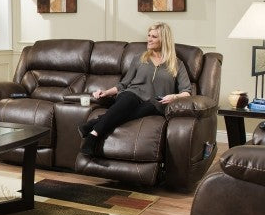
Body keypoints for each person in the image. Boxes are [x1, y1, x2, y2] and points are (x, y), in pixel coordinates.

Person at [78, 22, 191, 156]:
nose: (149, 39)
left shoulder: (176, 64)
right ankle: (93, 136)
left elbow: (187, 92)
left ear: (164, 39)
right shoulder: (140, 58)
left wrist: (174, 96)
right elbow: (123, 84)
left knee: (127, 113)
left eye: (154, 37)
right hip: (132, 94)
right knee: (127, 100)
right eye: (148, 35)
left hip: (154, 104)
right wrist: (106, 92)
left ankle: (93, 123)